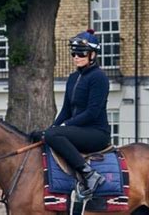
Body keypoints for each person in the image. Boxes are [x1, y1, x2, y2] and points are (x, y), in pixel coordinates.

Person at [33, 29, 111, 197]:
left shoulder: (99, 78)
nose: (76, 56)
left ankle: (89, 174)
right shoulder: (73, 78)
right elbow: (66, 110)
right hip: (77, 130)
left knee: (54, 135)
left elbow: (92, 113)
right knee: (43, 135)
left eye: (81, 53)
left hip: (96, 133)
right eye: (73, 53)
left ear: (92, 55)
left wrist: (64, 126)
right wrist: (50, 128)